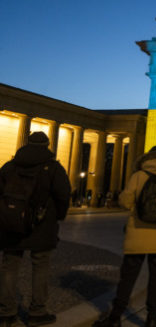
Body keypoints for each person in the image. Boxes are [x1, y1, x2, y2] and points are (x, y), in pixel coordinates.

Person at [93, 146, 156, 327]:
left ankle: (115, 317)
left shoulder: (139, 175)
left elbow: (125, 202)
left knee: (128, 278)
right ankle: (152, 318)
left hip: (138, 234)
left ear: (148, 158)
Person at [0, 131, 71, 327]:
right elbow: (64, 195)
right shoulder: (53, 168)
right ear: (47, 145)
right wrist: (58, 216)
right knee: (40, 266)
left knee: (9, 266)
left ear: (27, 143)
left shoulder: (10, 166)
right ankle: (37, 312)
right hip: (42, 224)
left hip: (11, 223)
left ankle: (6, 312)